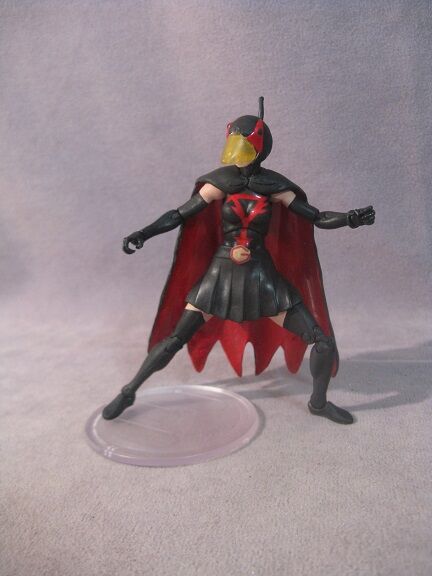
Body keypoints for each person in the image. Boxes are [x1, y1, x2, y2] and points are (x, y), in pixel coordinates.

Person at [102, 97, 375, 424]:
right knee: (175, 339)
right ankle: (128, 392)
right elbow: (179, 214)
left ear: (259, 146)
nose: (238, 152)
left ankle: (318, 403)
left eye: (244, 144)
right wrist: (144, 233)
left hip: (261, 278)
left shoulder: (274, 187)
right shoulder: (221, 183)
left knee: (322, 342)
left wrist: (349, 219)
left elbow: (315, 216)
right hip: (220, 275)